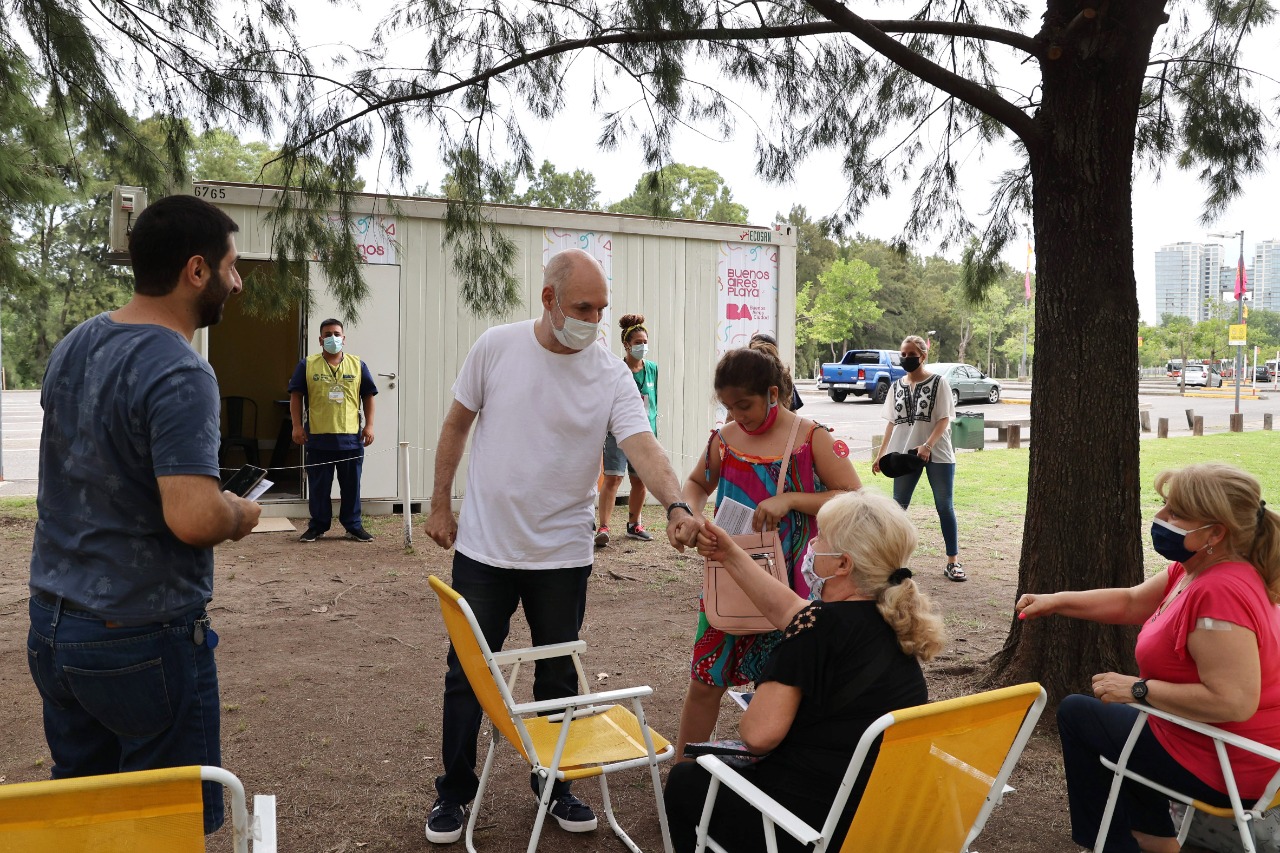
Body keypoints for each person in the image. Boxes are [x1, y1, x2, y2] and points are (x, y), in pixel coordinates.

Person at [422, 248, 703, 845]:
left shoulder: (609, 372)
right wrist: (441, 501)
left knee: (557, 678)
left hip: (562, 555)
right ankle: (454, 792)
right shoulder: (496, 346)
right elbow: (456, 424)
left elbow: (642, 445)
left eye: (601, 309)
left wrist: (675, 504)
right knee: (468, 674)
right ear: (548, 300)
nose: (593, 320)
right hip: (486, 550)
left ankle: (554, 785)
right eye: (582, 307)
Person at [26, 194, 263, 834]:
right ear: (196, 271)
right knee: (165, 827)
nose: (236, 282)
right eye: (232, 267)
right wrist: (239, 514)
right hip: (139, 636)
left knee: (87, 820)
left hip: (52, 625)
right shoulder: (181, 370)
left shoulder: (77, 341)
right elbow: (191, 516)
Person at [1017, 463, 1280, 853]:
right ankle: (1154, 838)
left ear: (1215, 532)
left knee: (1077, 714)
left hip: (1230, 764)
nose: (1160, 518)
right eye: (1164, 506)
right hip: (1214, 743)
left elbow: (1234, 701)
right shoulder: (1195, 569)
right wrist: (1056, 602)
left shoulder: (1219, 593)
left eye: (1175, 513)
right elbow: (1131, 601)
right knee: (1127, 722)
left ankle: (1116, 843)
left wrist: (1138, 689)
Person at [664, 490, 945, 853]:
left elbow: (758, 736)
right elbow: (791, 610)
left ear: (843, 564)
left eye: (821, 537)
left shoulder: (815, 629)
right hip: (876, 815)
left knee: (687, 779)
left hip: (805, 825)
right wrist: (729, 553)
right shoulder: (894, 619)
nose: (812, 542)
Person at [673, 338, 860, 764]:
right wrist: (692, 518)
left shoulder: (811, 438)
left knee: (781, 691)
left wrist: (791, 499)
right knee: (705, 682)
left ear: (773, 394)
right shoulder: (723, 439)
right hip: (730, 583)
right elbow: (696, 485)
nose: (736, 416)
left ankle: (775, 780)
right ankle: (682, 774)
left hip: (792, 592)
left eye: (745, 405)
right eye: (728, 407)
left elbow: (852, 497)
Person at [872, 334, 965, 581]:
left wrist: (927, 445)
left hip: (939, 452)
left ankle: (952, 562)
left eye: (911, 355)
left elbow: (945, 418)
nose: (905, 359)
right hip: (904, 454)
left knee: (944, 505)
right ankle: (894, 563)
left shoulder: (939, 382)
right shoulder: (896, 386)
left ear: (923, 356)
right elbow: (892, 423)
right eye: (902, 354)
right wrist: (881, 455)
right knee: (898, 507)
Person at [288, 318, 378, 542]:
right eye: (327, 334)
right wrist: (297, 426)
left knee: (351, 487)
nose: (332, 338)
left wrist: (369, 425)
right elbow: (295, 396)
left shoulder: (357, 365)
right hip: (318, 438)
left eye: (337, 334)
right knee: (319, 487)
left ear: (344, 338)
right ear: (320, 340)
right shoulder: (307, 365)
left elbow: (368, 396)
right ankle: (317, 526)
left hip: (351, 439)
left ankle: (353, 526)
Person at [595, 313, 659, 546]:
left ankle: (634, 525)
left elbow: (653, 402)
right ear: (626, 345)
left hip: (644, 433)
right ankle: (604, 526)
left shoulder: (652, 369)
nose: (642, 346)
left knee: (639, 481)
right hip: (618, 433)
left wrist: (653, 432)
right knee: (613, 478)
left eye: (644, 342)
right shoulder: (616, 370)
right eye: (637, 343)